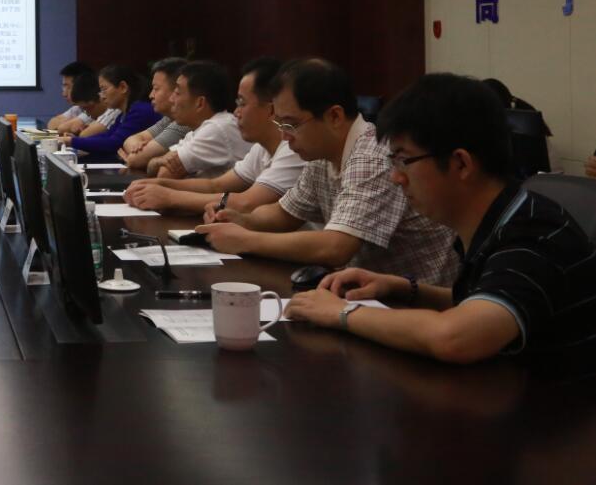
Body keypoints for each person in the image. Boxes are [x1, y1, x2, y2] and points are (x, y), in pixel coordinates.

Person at [287, 73, 596, 370]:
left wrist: (342, 313)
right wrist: (403, 289)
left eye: (404, 160)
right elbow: (480, 302)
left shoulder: (532, 234)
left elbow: (458, 338)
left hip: (558, 403)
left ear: (461, 163)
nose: (396, 177)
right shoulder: (501, 215)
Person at [197, 59, 459, 284]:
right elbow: (283, 214)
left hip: (416, 302)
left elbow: (336, 247)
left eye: (291, 124)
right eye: (280, 124)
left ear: (334, 116)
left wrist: (245, 240)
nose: (284, 136)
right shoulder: (321, 155)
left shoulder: (371, 157)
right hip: (365, 292)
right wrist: (241, 220)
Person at [126, 58, 304, 214]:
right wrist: (156, 186)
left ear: (271, 109)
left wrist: (169, 197)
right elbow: (215, 185)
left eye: (242, 103)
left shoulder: (292, 149)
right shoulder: (261, 148)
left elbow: (246, 203)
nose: (236, 112)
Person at [147, 60, 251, 178]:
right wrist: (157, 162)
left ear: (200, 103)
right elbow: (152, 168)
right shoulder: (196, 130)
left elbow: (164, 174)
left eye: (177, 93)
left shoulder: (218, 128)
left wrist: (158, 162)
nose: (171, 99)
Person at [66, 64, 160, 163]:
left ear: (123, 87)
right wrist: (75, 140)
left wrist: (71, 141)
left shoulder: (140, 110)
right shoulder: (123, 113)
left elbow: (114, 143)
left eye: (104, 89)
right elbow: (108, 135)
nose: (102, 96)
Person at [118, 58, 190, 171]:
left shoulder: (185, 122)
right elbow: (129, 140)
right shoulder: (169, 118)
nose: (151, 95)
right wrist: (140, 153)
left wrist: (136, 158)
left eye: (156, 89)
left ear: (176, 91)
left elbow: (135, 159)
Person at [59, 72, 115, 139]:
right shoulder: (89, 108)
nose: (64, 94)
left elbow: (84, 135)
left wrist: (78, 138)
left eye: (69, 87)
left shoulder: (114, 110)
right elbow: (59, 127)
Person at [48, 61, 96, 133]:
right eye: (64, 86)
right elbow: (51, 123)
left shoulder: (92, 108)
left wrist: (67, 123)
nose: (64, 94)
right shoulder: (77, 108)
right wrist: (71, 122)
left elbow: (62, 128)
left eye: (68, 87)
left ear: (80, 86)